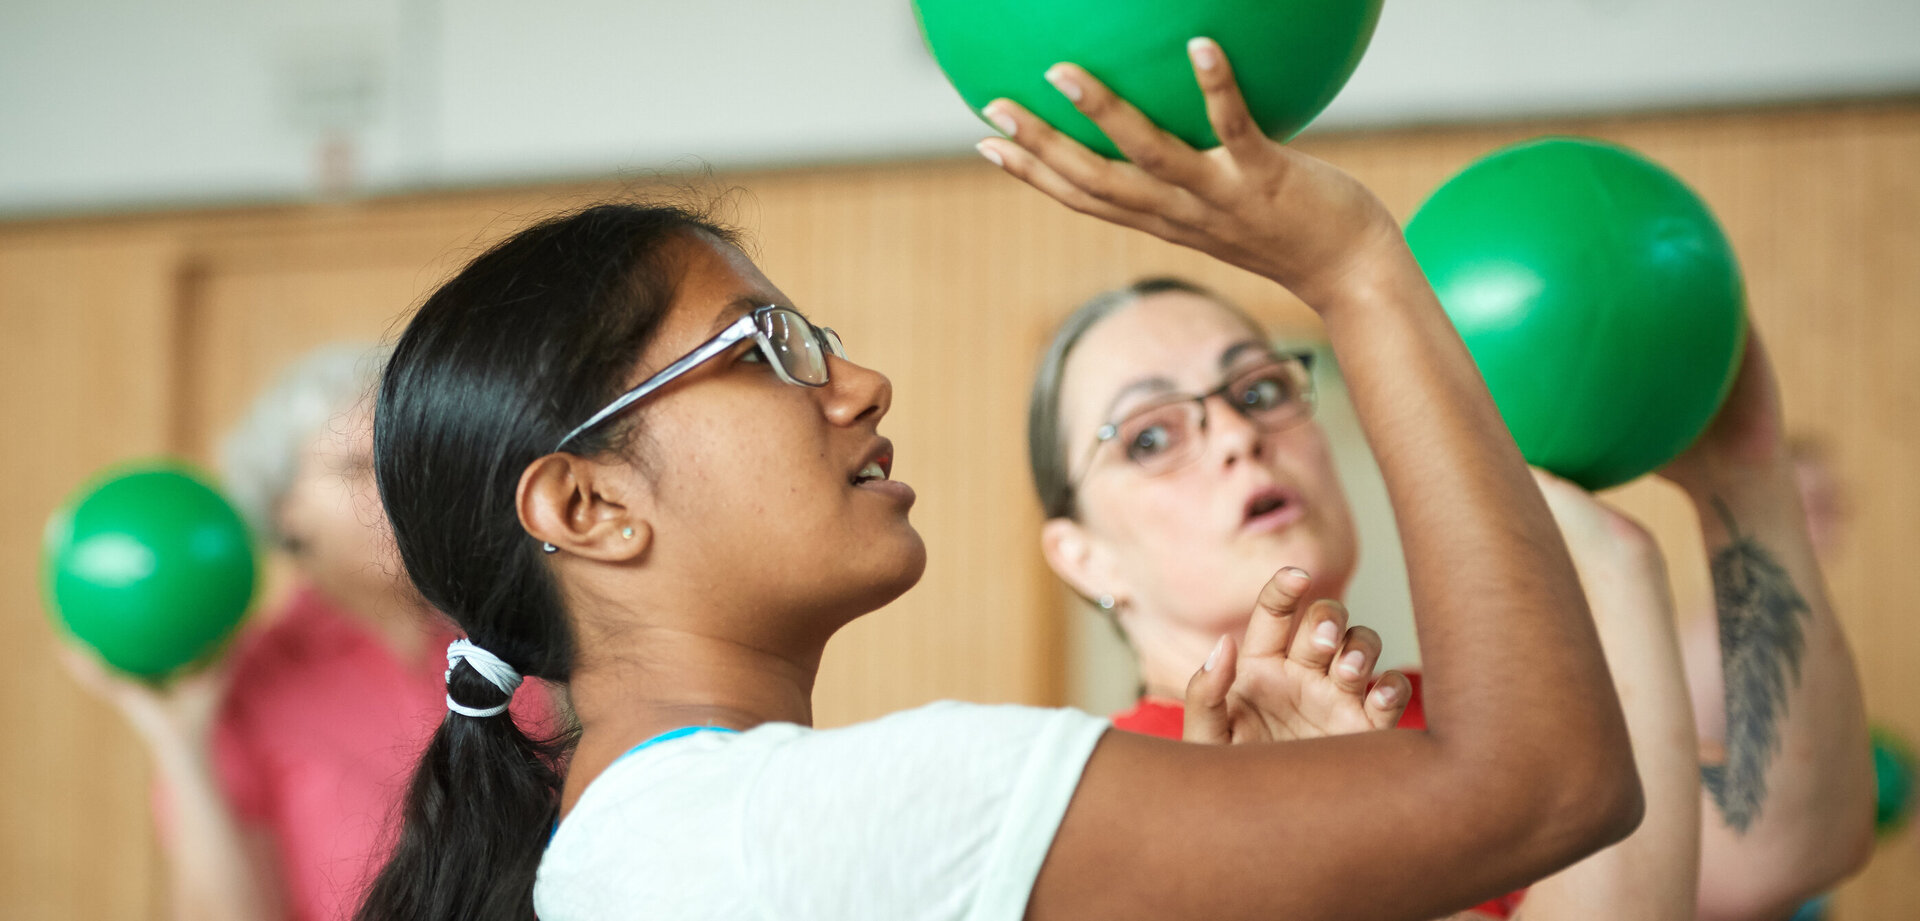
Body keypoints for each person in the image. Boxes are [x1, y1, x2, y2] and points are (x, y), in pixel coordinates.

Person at [356, 42, 1643, 921]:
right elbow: (1549, 784)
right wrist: (1358, 268)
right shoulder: (813, 822)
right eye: (770, 350)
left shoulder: (646, 852)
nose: (858, 386)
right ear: (589, 506)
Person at [1028, 264, 1874, 915]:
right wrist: (1611, 563)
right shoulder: (1098, 807)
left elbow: (1785, 842)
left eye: (1259, 390)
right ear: (1083, 557)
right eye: (1149, 437)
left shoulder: (1480, 729)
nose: (1241, 437)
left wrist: (1749, 474)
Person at [61, 344, 544, 921]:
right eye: (356, 469)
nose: (395, 489)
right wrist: (180, 742)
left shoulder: (522, 644)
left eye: (406, 460)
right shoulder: (246, 687)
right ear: (284, 506)